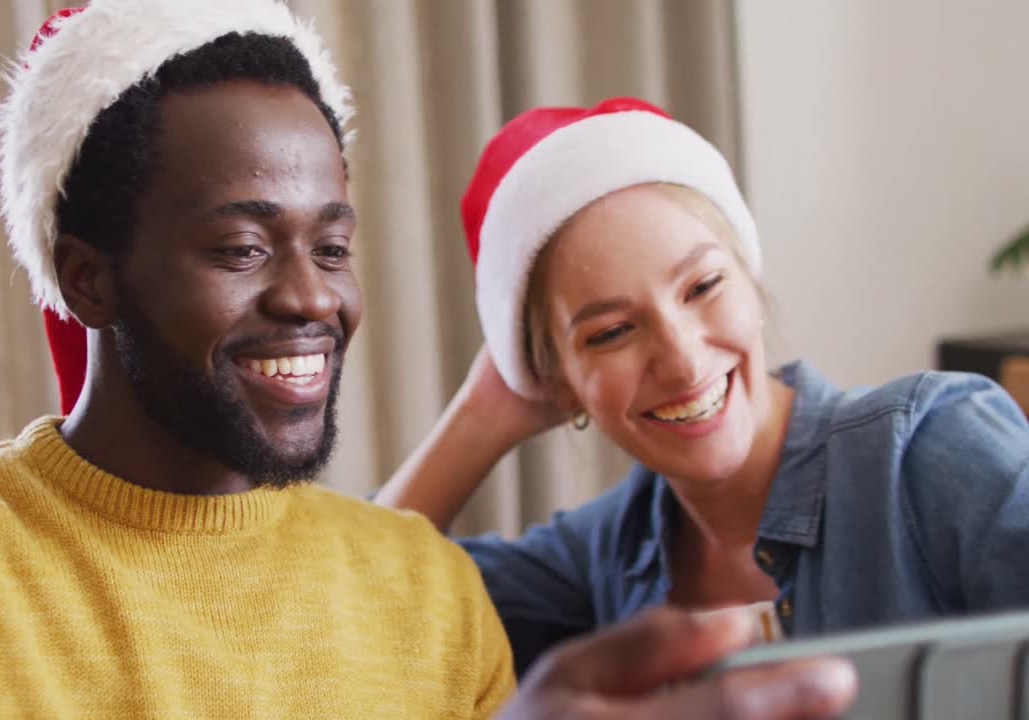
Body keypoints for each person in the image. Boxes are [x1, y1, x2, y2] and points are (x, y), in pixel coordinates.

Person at [0, 3, 856, 717]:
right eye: (240, 247)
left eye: (331, 245)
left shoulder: (423, 588)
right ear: (87, 278)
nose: (310, 296)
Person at [378, 96, 1029, 676]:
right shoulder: (605, 552)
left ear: (750, 278)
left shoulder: (927, 451)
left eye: (703, 287)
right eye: (609, 333)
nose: (684, 363)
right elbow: (347, 610)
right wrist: (477, 420)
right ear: (561, 385)